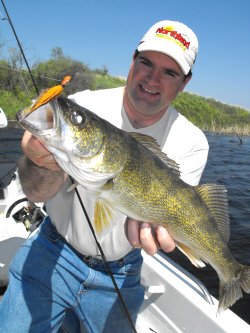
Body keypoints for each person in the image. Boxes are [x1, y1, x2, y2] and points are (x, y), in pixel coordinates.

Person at [0, 20, 209, 332]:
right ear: (132, 63)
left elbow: (174, 215)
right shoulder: (85, 104)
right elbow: (36, 193)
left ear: (184, 83)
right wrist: (38, 160)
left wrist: (155, 223)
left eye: (169, 72)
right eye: (146, 63)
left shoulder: (192, 143)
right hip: (52, 248)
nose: (152, 78)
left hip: (123, 271)